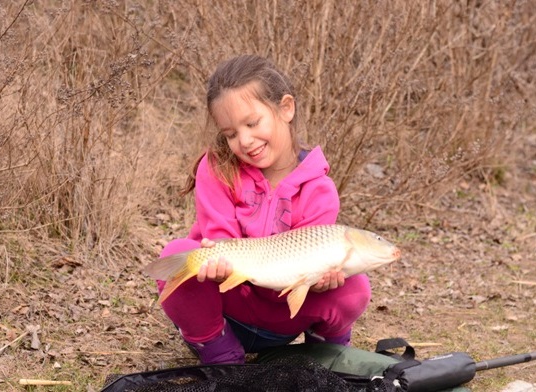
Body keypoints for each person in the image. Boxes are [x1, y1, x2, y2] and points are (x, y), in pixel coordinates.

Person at [154, 54, 372, 365]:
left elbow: (301, 275)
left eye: (253, 123)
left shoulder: (320, 192)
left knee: (355, 286)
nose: (244, 140)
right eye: (230, 133)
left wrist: (320, 277)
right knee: (178, 254)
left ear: (286, 108)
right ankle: (222, 357)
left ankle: (325, 356)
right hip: (230, 314)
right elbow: (222, 242)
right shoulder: (216, 168)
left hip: (286, 315)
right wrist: (218, 267)